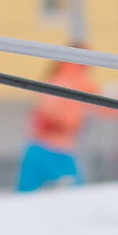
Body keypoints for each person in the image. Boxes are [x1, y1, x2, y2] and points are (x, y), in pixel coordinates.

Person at [15, 59, 99, 191]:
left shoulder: (54, 80)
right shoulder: (76, 81)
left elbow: (37, 115)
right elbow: (103, 101)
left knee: (25, 196)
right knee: (76, 195)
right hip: (56, 148)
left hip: (37, 146)